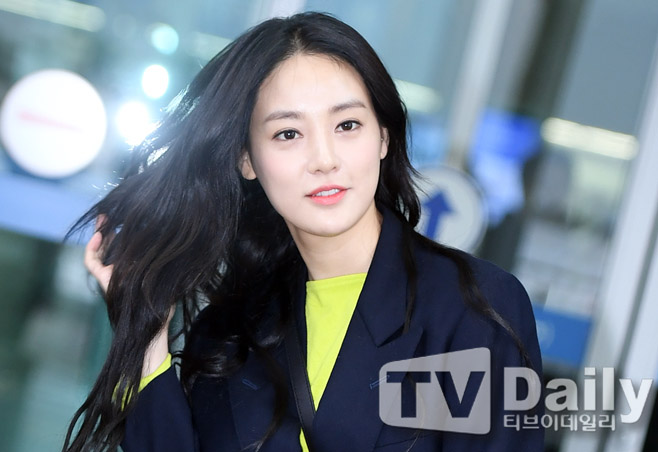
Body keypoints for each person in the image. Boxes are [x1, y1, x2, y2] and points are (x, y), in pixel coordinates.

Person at [63, 11, 543, 452]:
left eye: (347, 125)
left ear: (383, 135)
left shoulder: (473, 308)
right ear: (247, 160)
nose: (324, 159)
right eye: (288, 134)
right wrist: (146, 334)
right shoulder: (229, 335)